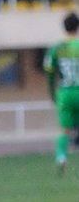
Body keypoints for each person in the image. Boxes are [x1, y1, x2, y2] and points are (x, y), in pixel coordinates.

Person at [44, 12, 79, 175]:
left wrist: (52, 93)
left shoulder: (56, 49)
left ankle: (61, 157)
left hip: (64, 92)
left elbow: (49, 72)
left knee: (65, 130)